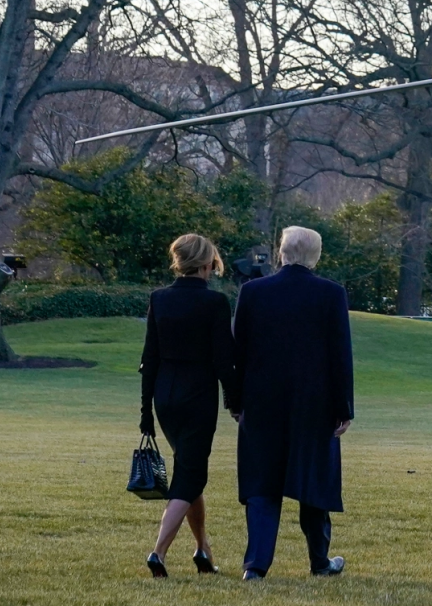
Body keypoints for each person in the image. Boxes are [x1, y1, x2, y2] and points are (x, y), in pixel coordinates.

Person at [229, 226, 353, 579]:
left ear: (281, 251)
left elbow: (240, 352)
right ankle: (319, 561)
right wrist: (344, 407)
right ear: (315, 255)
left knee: (261, 484)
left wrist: (236, 402)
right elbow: (340, 356)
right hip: (315, 404)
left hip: (262, 402)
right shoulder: (331, 294)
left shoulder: (253, 292)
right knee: (313, 481)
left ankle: (256, 565)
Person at [139, 234, 238, 577]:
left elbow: (148, 359)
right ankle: (158, 552)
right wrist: (235, 402)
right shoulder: (215, 303)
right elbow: (224, 361)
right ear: (207, 263)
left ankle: (202, 551)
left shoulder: (160, 299)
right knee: (190, 475)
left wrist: (145, 413)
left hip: (164, 396)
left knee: (188, 470)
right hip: (198, 396)